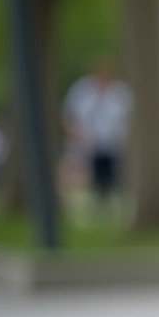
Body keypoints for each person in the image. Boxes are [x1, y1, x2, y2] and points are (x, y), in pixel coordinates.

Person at [62, 60, 132, 212]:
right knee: (94, 173)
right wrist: (76, 134)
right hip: (89, 141)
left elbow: (126, 117)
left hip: (112, 142)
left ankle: (109, 201)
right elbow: (71, 115)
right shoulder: (81, 91)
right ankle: (98, 202)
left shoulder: (119, 92)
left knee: (112, 173)